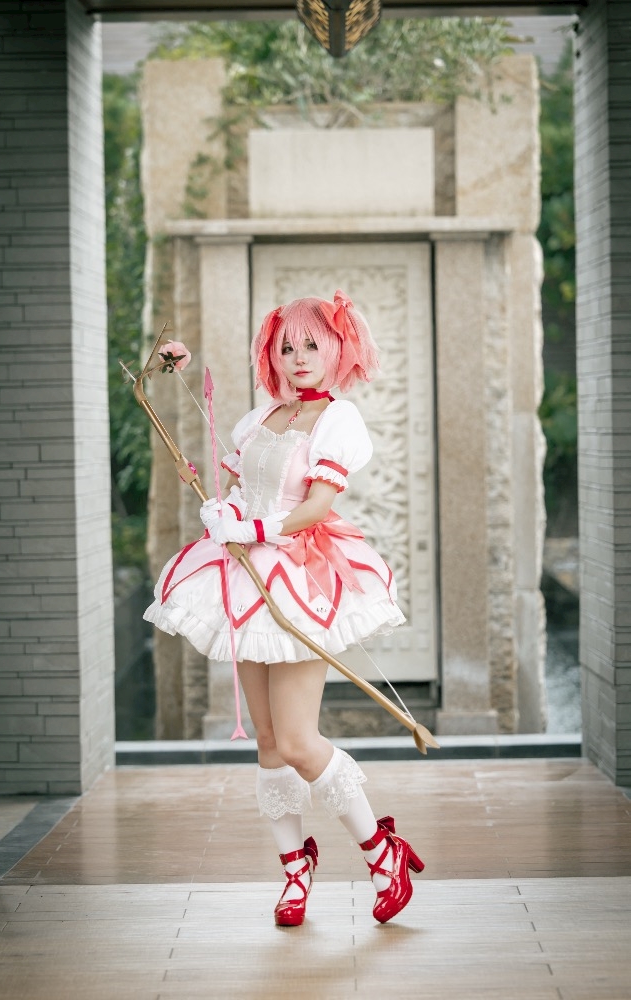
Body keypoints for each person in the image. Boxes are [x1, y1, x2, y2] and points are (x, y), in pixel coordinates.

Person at [144, 290, 425, 926]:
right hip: (245, 575)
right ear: (271, 353)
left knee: (298, 739)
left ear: (338, 350)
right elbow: (238, 485)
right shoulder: (261, 416)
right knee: (268, 740)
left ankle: (382, 852)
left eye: (311, 346)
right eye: (286, 346)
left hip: (297, 574)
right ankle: (295, 871)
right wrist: (222, 510)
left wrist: (253, 528)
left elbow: (317, 507)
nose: (298, 357)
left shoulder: (337, 420)